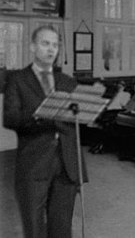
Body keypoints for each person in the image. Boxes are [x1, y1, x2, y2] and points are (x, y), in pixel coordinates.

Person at [3, 25, 83, 238]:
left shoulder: (67, 81)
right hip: (34, 162)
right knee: (34, 227)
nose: (51, 49)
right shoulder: (17, 79)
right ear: (32, 46)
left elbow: (77, 118)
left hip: (66, 163)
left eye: (55, 45)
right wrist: (39, 116)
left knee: (62, 228)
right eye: (45, 43)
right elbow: (9, 119)